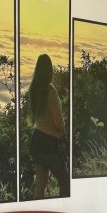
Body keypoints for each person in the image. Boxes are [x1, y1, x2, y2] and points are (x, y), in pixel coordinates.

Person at [28, 54, 68, 198]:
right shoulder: (50, 91)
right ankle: (63, 209)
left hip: (36, 139)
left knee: (41, 184)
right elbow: (58, 123)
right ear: (50, 70)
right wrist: (63, 132)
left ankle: (37, 209)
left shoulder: (34, 89)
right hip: (49, 143)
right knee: (65, 181)